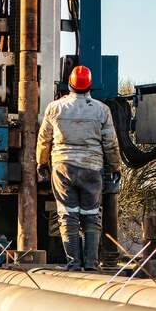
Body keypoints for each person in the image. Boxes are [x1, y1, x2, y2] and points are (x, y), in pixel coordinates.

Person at [36, 65, 122, 271]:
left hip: (63, 167)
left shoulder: (55, 108)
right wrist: (115, 165)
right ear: (90, 85)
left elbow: (44, 139)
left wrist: (41, 162)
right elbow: (110, 143)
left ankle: (74, 264)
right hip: (91, 169)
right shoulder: (102, 110)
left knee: (68, 215)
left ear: (70, 84)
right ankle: (91, 264)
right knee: (92, 215)